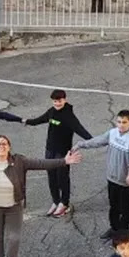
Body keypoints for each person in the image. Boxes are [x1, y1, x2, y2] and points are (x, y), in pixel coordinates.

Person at [25, 89, 92, 217]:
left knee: (62, 178)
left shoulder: (68, 116)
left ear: (65, 99)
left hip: (63, 152)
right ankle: (56, 201)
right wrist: (26, 121)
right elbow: (39, 119)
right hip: (50, 149)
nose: (57, 104)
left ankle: (64, 203)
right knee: (51, 177)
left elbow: (81, 130)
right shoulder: (52, 111)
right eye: (55, 101)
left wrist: (95, 141)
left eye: (59, 101)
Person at [75, 110, 129, 240]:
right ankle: (114, 229)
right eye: (119, 122)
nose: (121, 125)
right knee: (113, 206)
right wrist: (80, 144)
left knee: (125, 209)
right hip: (112, 178)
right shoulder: (112, 133)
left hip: (124, 181)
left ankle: (123, 234)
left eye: (124, 122)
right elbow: (97, 141)